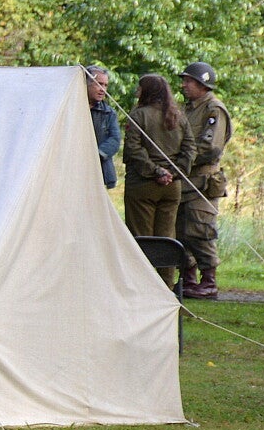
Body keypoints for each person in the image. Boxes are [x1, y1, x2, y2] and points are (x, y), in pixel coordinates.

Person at [175, 62, 231, 300]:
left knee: (200, 230)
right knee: (181, 230)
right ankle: (187, 278)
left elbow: (210, 147)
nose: (184, 85)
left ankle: (209, 281)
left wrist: (180, 160)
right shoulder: (187, 108)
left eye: (188, 81)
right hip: (185, 180)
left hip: (203, 181)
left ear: (202, 84)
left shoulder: (213, 109)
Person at [122, 74, 185, 286]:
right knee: (167, 237)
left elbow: (134, 149)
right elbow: (190, 150)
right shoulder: (179, 117)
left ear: (147, 91)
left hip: (143, 185)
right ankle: (166, 286)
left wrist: (156, 171)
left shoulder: (138, 115)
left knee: (142, 237)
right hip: (172, 187)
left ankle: (143, 286)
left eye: (140, 88)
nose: (137, 92)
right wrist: (173, 173)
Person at [85, 65, 122, 188]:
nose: (103, 89)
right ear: (86, 83)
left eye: (106, 85)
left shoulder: (109, 113)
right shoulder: (71, 109)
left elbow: (115, 140)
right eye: (99, 84)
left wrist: (97, 155)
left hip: (100, 171)